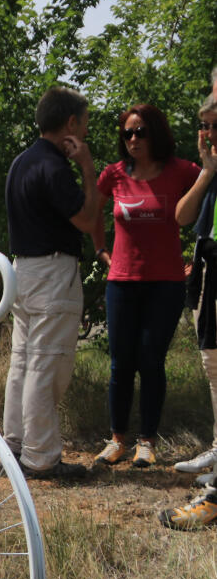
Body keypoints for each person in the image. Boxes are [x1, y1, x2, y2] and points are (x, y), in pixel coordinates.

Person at [3, 86, 106, 479]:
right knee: (46, 366)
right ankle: (41, 457)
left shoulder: (22, 162)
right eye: (84, 123)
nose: (85, 130)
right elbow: (87, 219)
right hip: (52, 272)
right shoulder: (54, 167)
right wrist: (88, 167)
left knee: (23, 363)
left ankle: (14, 445)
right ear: (71, 124)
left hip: (22, 271)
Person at [89, 105, 200, 468]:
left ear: (156, 134)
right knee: (121, 363)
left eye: (141, 132)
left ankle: (147, 443)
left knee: (151, 361)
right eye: (127, 133)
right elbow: (94, 211)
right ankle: (117, 439)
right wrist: (100, 250)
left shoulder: (181, 171)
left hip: (166, 284)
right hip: (121, 281)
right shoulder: (114, 174)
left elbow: (205, 196)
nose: (134, 139)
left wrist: (194, 256)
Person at [176, 94, 217, 476]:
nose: (207, 133)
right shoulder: (212, 170)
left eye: (214, 125)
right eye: (204, 126)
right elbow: (182, 215)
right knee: (212, 361)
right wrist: (206, 172)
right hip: (209, 265)